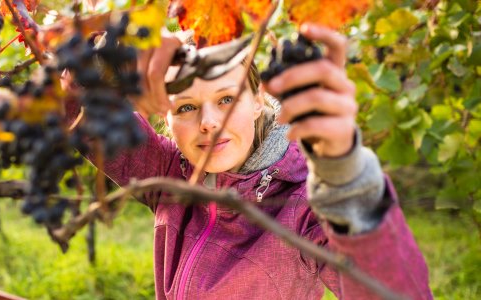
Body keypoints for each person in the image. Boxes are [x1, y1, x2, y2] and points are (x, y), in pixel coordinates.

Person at [88, 24, 432, 299]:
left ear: (258, 101)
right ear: (166, 118)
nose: (210, 122)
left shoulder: (303, 206)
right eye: (187, 107)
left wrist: (346, 175)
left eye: (226, 98)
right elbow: (83, 113)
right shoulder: (168, 175)